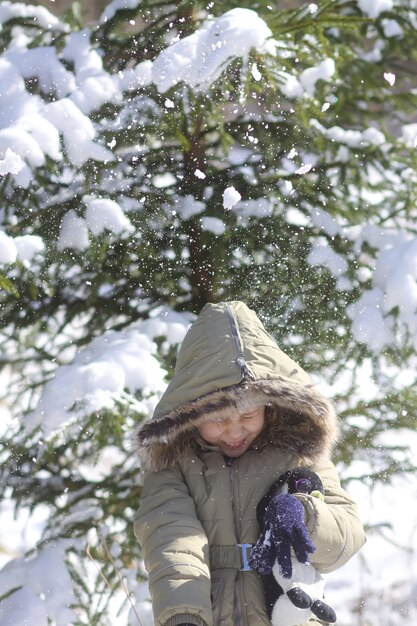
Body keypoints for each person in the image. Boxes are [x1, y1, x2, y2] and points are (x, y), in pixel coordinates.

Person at [134, 301, 366, 626]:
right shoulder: (175, 462)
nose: (235, 430)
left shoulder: (296, 451)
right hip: (209, 613)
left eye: (248, 415)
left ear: (268, 406)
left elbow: (348, 535)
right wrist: (184, 614)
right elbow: (173, 538)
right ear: (193, 412)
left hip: (289, 613)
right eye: (217, 418)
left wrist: (305, 514)